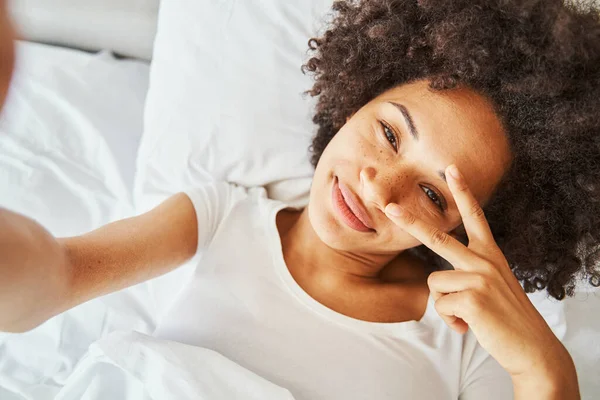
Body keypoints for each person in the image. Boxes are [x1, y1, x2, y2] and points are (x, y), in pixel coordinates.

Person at [1, 0, 599, 398]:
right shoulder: (221, 215)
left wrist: (543, 368)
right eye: (390, 134)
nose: (378, 187)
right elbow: (55, 279)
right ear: (354, 95)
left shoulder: (461, 334)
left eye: (432, 194)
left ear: (471, 229)